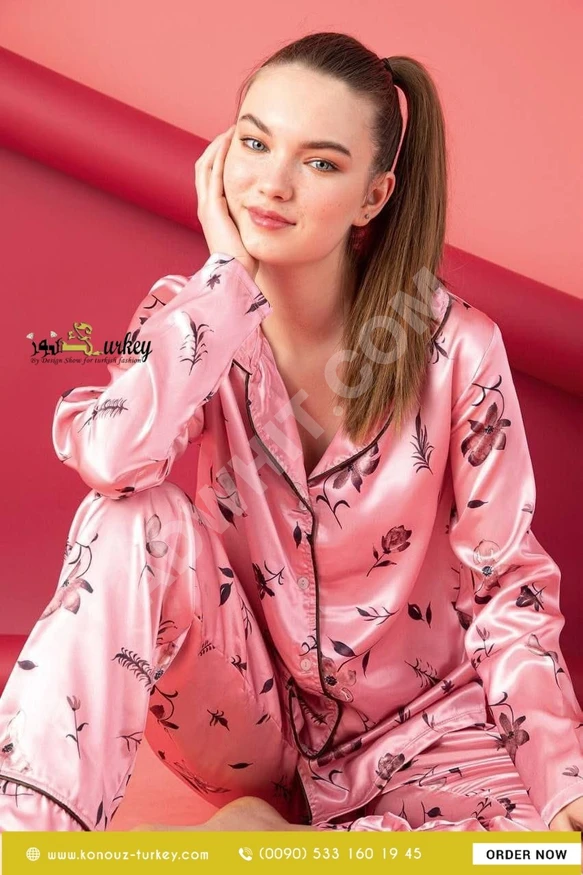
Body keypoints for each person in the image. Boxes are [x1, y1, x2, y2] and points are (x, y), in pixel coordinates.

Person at [1, 30, 582, 834]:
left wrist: (562, 780)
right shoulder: (192, 318)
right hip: (249, 728)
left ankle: (277, 844)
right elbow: (110, 459)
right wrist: (223, 282)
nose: (271, 184)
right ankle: (24, 840)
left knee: (533, 854)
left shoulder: (457, 349)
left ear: (373, 197)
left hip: (426, 742)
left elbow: (505, 583)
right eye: (253, 143)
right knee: (132, 515)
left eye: (319, 163)